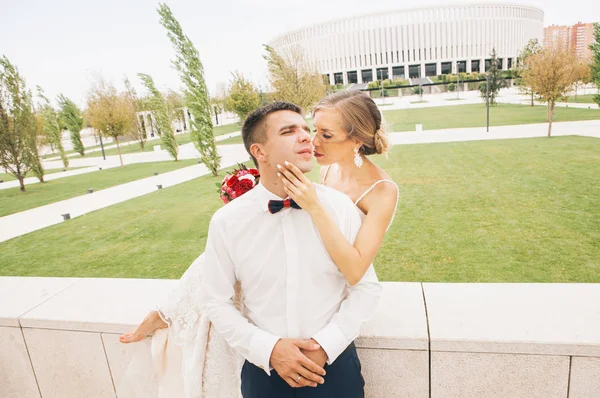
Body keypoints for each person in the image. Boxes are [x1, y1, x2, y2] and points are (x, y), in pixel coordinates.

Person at [120, 93, 397, 397]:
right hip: (263, 375)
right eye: (291, 131)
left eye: (312, 130)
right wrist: (269, 350)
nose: (309, 139)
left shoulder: (342, 207)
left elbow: (365, 285)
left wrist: (325, 345)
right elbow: (215, 299)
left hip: (335, 370)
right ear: (259, 152)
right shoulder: (228, 221)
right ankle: (162, 312)